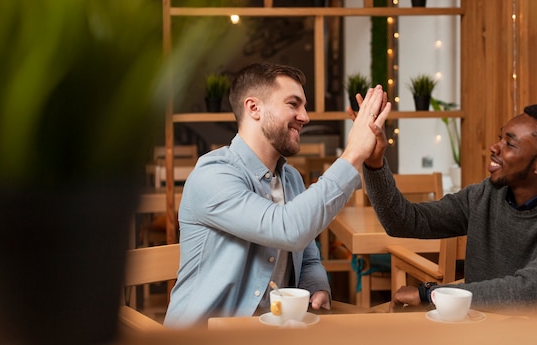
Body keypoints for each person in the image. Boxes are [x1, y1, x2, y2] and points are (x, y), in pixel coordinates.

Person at [164, 62, 390, 327]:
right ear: (254, 108)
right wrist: (353, 154)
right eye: (293, 104)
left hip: (273, 332)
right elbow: (286, 228)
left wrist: (316, 286)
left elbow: (308, 256)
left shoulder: (291, 179)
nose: (305, 117)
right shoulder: (213, 175)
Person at [360, 103, 537, 314]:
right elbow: (403, 221)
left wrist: (431, 294)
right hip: (478, 332)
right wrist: (374, 162)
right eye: (501, 137)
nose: (494, 147)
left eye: (509, 144)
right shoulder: (483, 196)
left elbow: (529, 292)